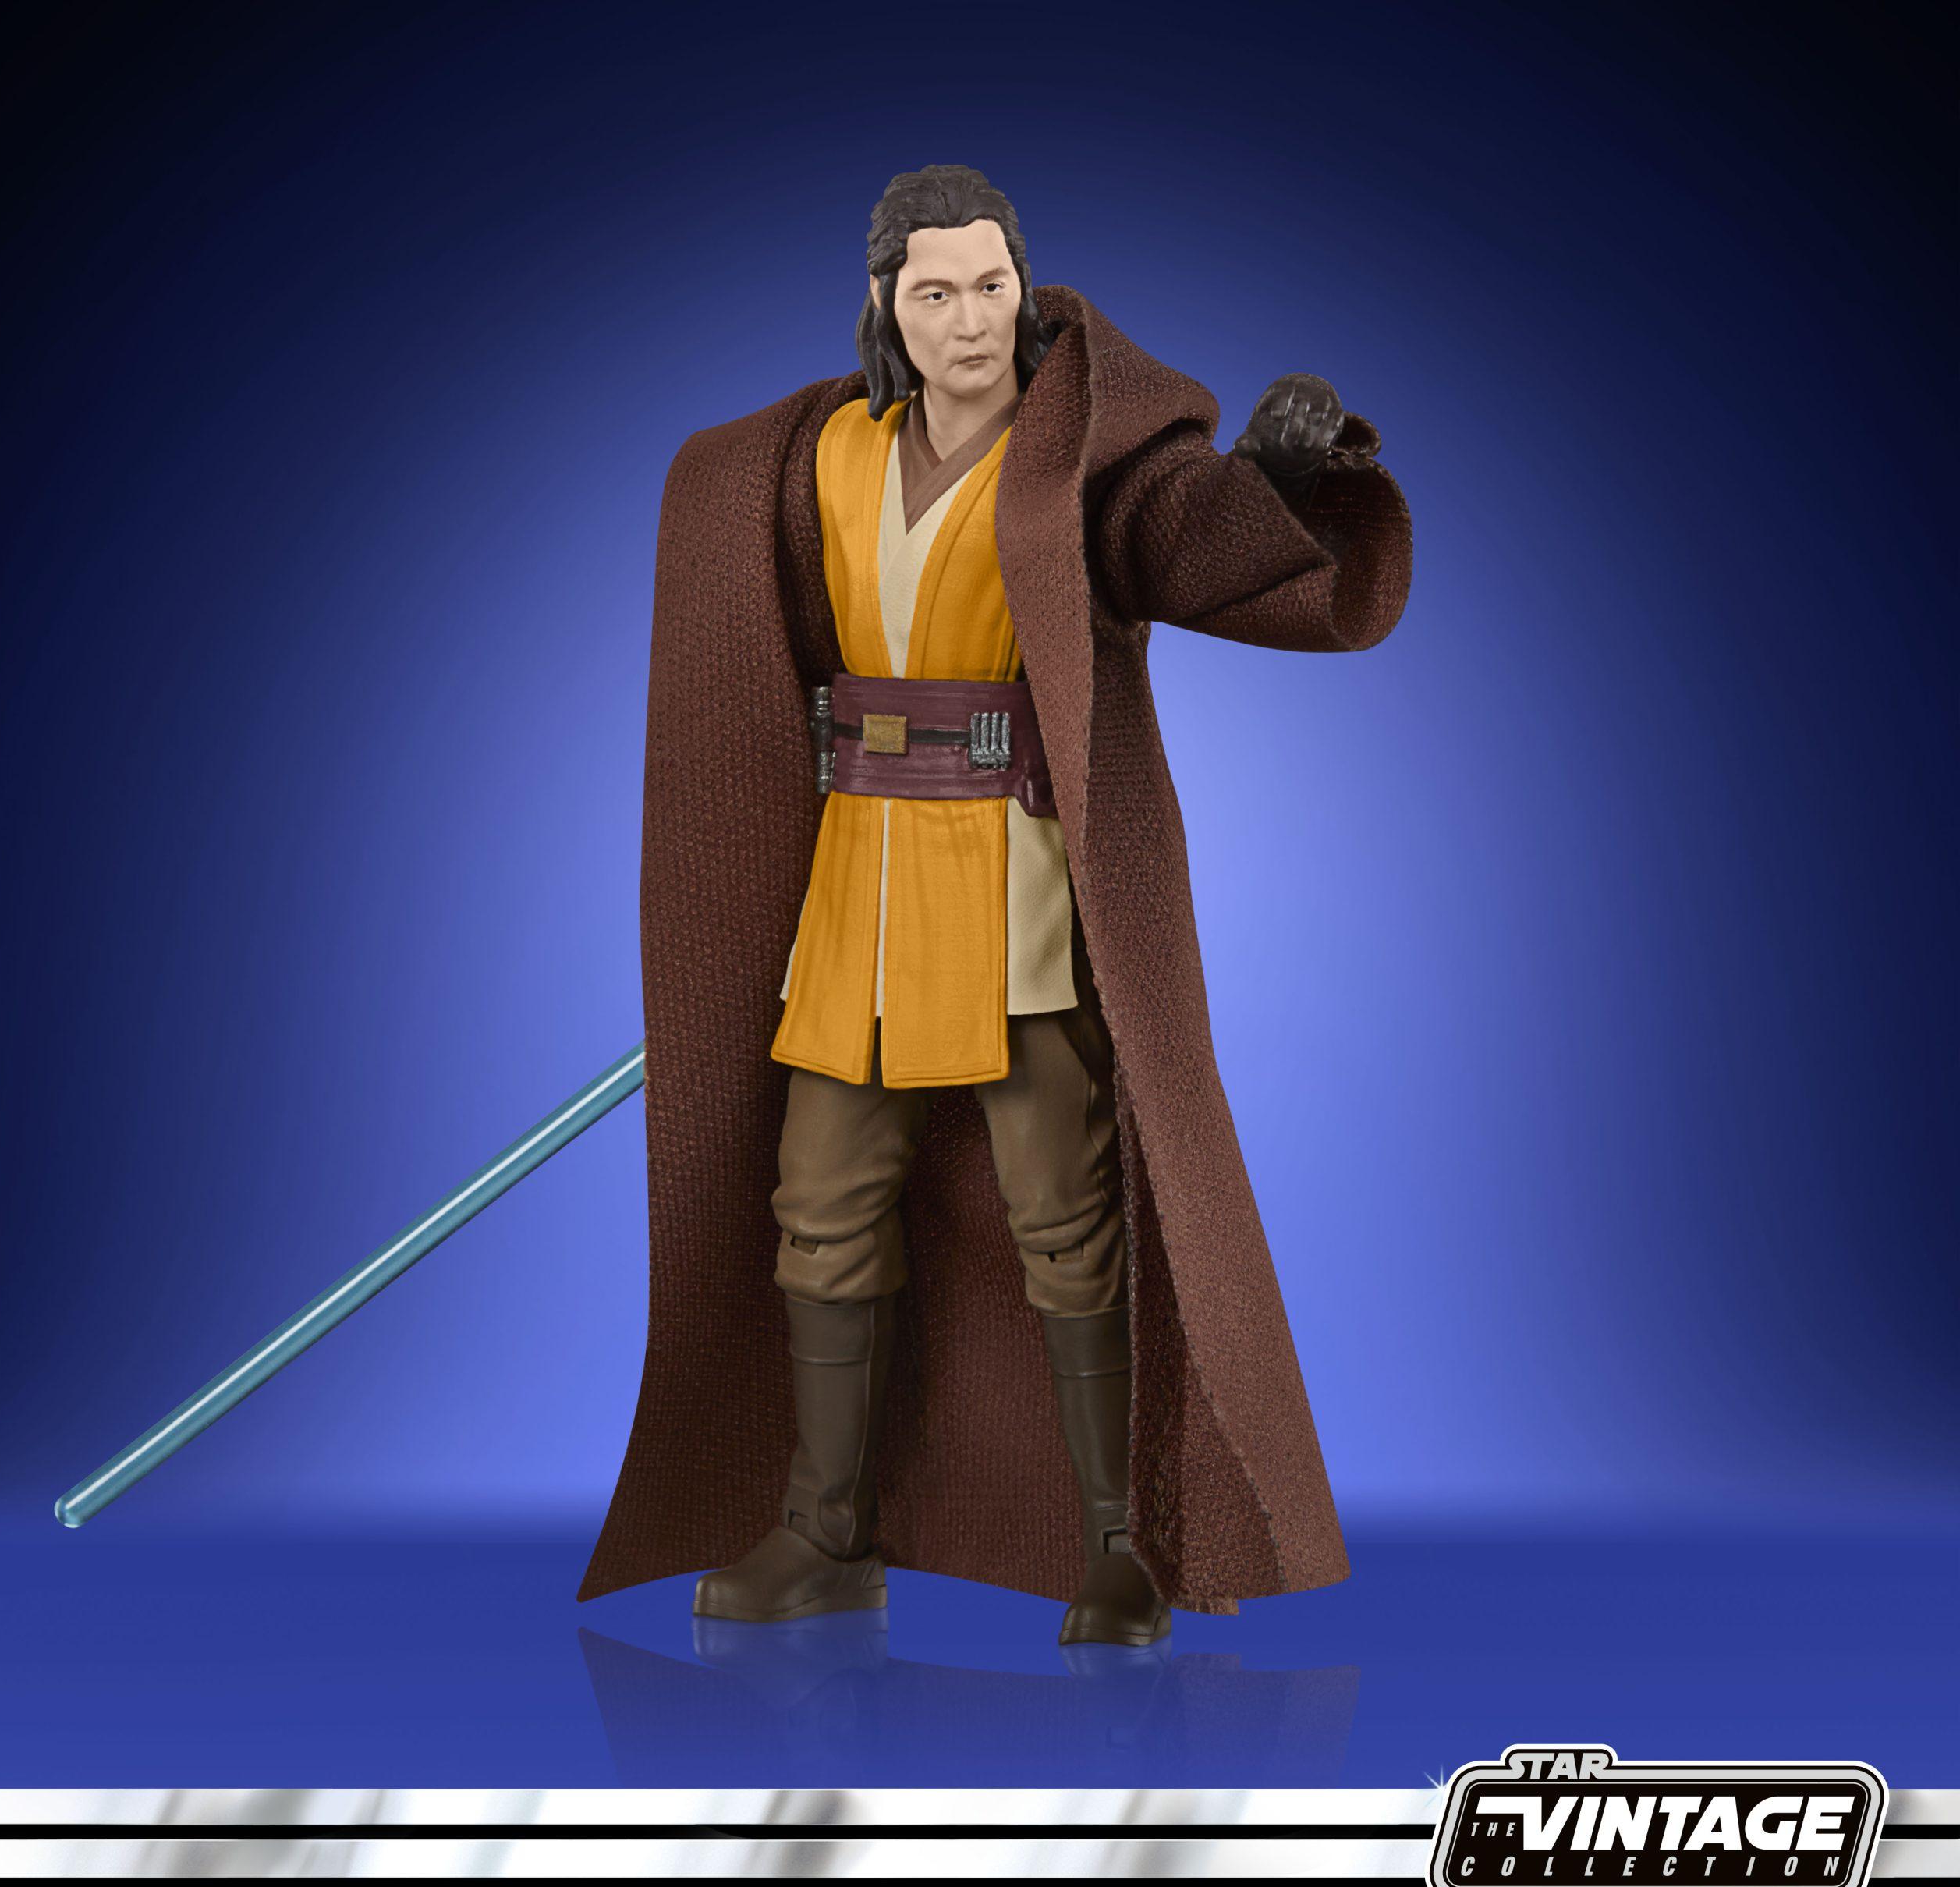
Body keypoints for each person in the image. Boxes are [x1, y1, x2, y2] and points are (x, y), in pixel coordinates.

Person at [579, 165, 1412, 1644]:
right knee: (820, 1212)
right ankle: (827, 1530)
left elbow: (1182, 542)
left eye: (991, 286)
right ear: (886, 306)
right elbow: (752, 637)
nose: (969, 320)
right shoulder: (824, 456)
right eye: (935, 292)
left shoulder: (1080, 464)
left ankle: (1120, 1542)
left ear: (1024, 292)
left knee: (1065, 1218)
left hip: (1013, 893)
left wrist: (1273, 485)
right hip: (855, 892)